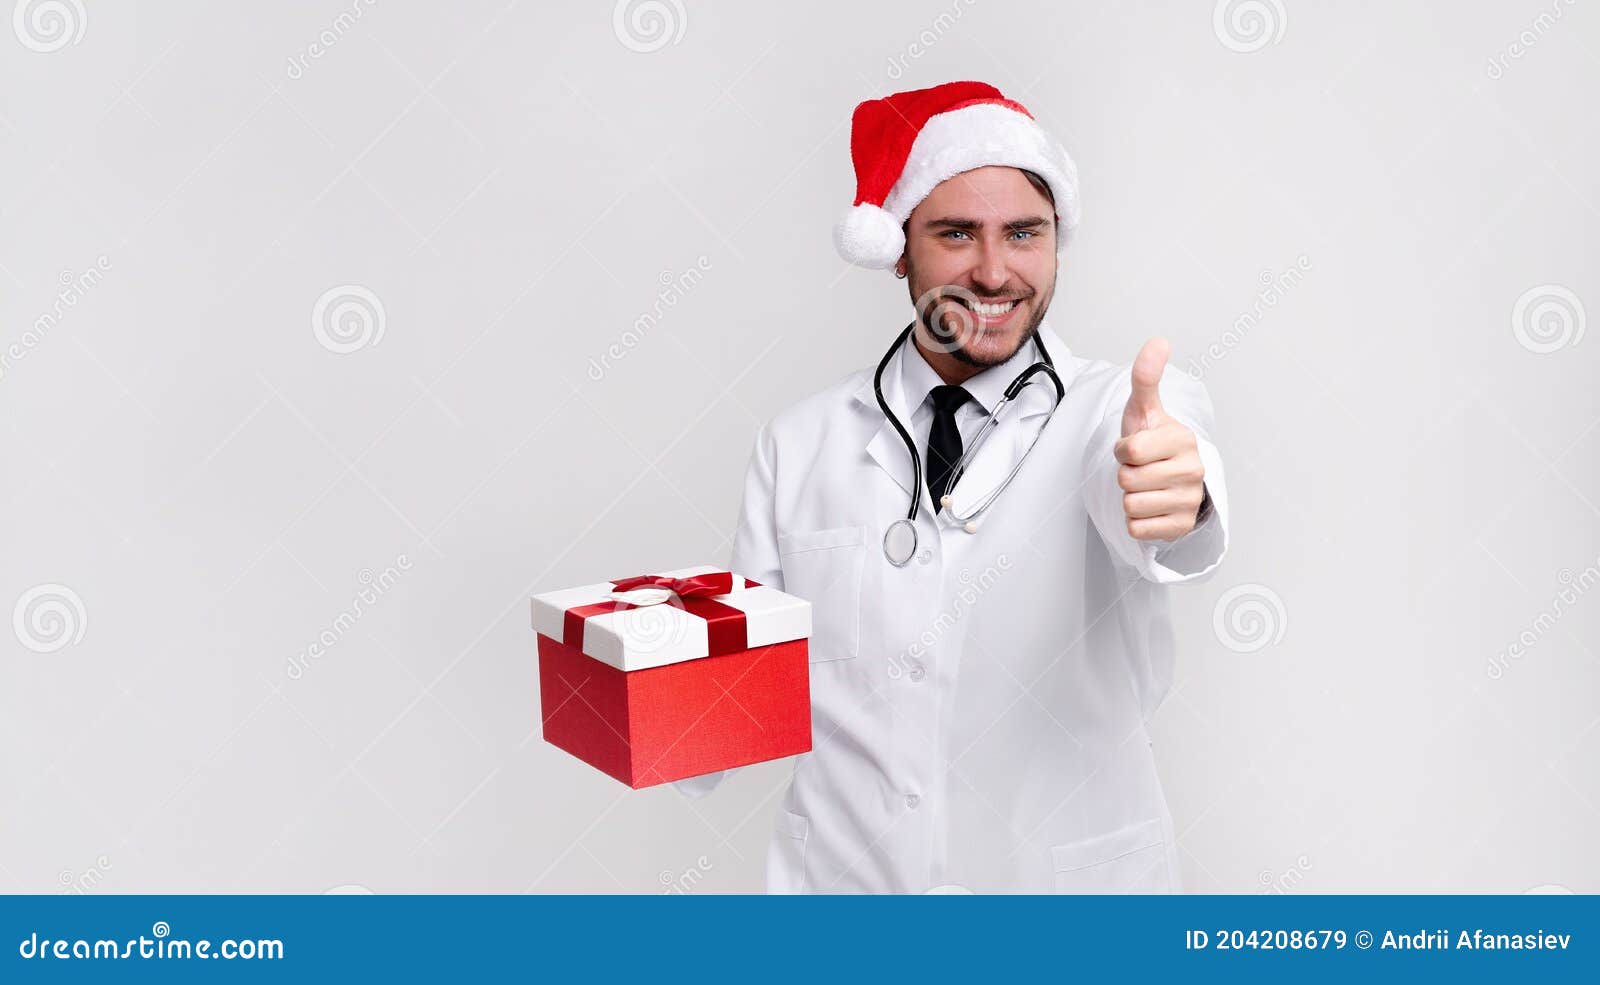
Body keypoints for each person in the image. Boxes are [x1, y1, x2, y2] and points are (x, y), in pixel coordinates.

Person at [676, 80, 1228, 893]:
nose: (994, 271)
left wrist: (1178, 498)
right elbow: (739, 702)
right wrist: (633, 672)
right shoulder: (800, 442)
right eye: (957, 233)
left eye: (1024, 234)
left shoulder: (1117, 410)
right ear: (899, 247)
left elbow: (1162, 487)